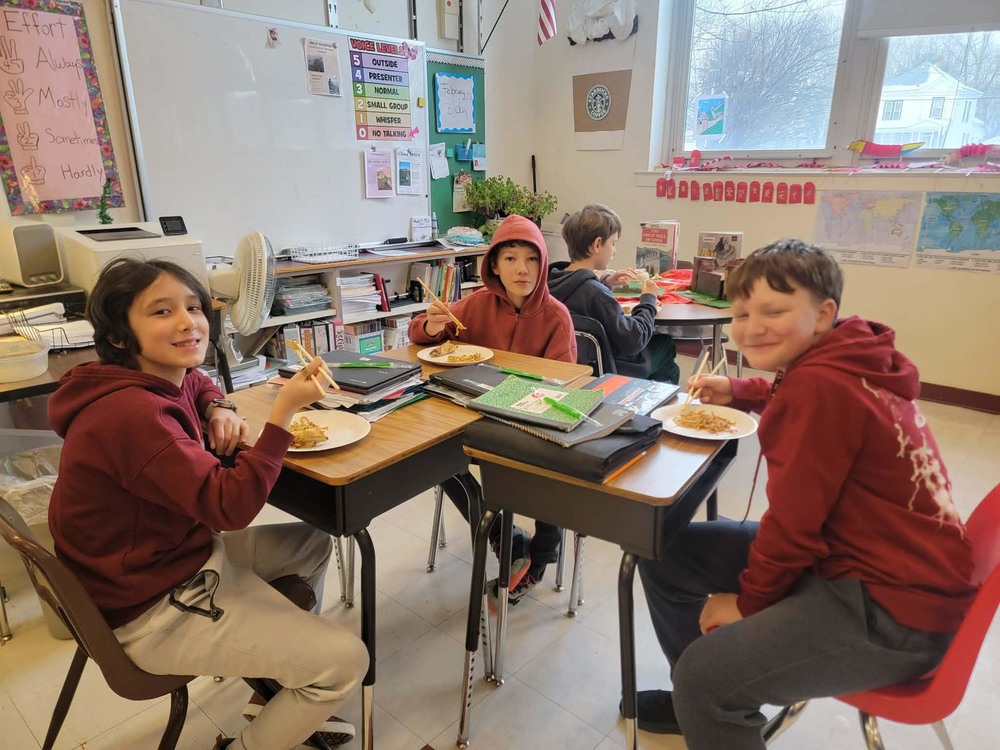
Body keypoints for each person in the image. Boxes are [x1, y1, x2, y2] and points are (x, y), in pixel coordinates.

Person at [633, 239, 977, 748]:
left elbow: (792, 529)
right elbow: (799, 393)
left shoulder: (819, 391)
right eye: (742, 311)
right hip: (885, 566)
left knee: (706, 681)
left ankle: (706, 697)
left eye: (773, 310)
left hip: (891, 610)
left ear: (823, 314)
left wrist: (749, 605)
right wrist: (745, 391)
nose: (750, 327)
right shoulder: (848, 355)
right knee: (667, 555)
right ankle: (708, 700)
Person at [48, 258, 369, 750]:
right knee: (346, 663)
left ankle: (273, 687)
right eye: (161, 312)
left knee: (310, 542)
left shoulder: (135, 377)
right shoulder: (131, 414)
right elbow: (229, 508)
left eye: (193, 307)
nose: (187, 323)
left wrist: (218, 406)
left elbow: (198, 381)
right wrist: (283, 412)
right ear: (118, 336)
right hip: (149, 607)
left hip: (174, 560)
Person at [409, 214, 577, 605]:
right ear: (494, 267)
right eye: (511, 259)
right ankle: (504, 534)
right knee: (432, 457)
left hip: (531, 425)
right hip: (474, 419)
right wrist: (432, 327)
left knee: (554, 463)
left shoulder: (556, 317)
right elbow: (421, 332)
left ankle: (540, 556)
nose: (522, 269)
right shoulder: (476, 305)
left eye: (532, 259)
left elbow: (563, 389)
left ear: (544, 263)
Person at [548, 204, 679, 383]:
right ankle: (654, 404)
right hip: (611, 371)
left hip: (573, 368)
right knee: (665, 346)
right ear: (596, 245)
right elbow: (634, 339)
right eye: (613, 243)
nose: (615, 250)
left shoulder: (551, 282)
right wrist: (648, 299)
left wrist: (604, 282)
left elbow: (579, 293)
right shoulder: (597, 294)